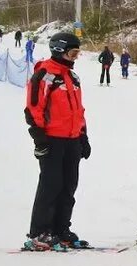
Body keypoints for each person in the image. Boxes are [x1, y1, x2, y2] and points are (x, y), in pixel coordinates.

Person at [21, 32, 91, 252]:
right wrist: (39, 138)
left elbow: (79, 110)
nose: (75, 58)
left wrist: (83, 136)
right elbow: (33, 107)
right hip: (51, 139)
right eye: (73, 53)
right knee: (51, 185)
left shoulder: (73, 77)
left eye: (78, 53)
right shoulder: (44, 75)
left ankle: (61, 229)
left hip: (71, 139)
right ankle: (40, 232)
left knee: (69, 186)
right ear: (60, 50)